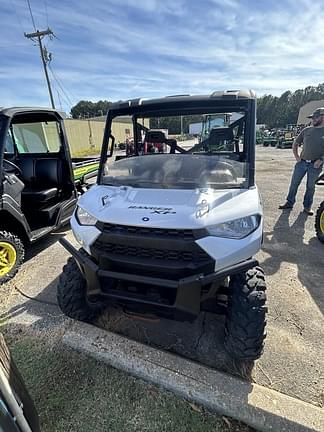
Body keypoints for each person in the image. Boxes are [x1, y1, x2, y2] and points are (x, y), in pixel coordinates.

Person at [279, 107, 324, 215]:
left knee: (310, 187)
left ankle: (307, 207)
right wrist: (297, 156)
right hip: (302, 163)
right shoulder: (306, 130)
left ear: (322, 117)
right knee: (294, 184)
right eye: (312, 118)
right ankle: (289, 202)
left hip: (315, 165)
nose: (313, 120)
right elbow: (296, 143)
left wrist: (321, 160)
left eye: (315, 117)